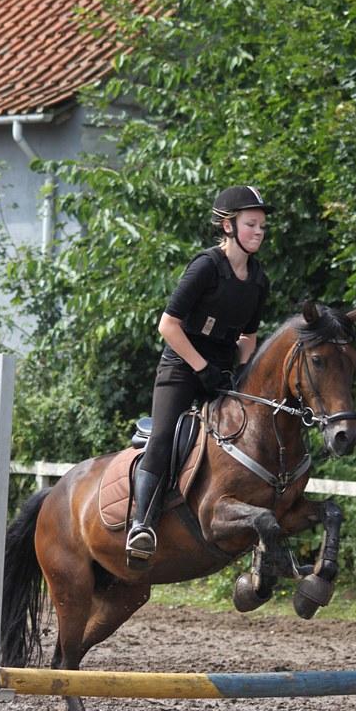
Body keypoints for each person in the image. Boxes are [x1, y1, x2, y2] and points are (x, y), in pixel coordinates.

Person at [126, 185, 272, 564]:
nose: (259, 232)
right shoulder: (206, 267)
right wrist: (202, 368)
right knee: (163, 436)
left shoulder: (259, 279)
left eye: (262, 226)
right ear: (228, 226)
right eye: (251, 224)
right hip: (181, 364)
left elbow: (249, 336)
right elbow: (168, 325)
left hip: (222, 368)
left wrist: (237, 372)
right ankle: (141, 524)